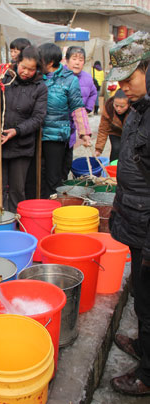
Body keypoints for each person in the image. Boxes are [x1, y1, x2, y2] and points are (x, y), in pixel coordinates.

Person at [108, 31, 150, 397]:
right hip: (136, 222)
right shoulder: (140, 108)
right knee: (141, 295)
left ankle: (148, 374)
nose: (123, 88)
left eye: (129, 79)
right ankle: (143, 345)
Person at [0, 45, 48, 212]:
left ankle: (15, 224)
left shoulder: (40, 87)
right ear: (17, 62)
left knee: (17, 189)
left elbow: (38, 117)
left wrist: (17, 131)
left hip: (21, 144)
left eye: (31, 69)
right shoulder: (3, 75)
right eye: (23, 67)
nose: (26, 72)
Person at [37, 43, 91, 198]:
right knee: (37, 175)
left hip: (56, 136)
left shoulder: (69, 80)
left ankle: (53, 210)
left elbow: (78, 107)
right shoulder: (37, 77)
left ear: (50, 61)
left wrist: (84, 133)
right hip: (35, 134)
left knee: (54, 177)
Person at [63, 46, 97, 180]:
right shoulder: (60, 76)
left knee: (67, 161)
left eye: (81, 60)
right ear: (67, 60)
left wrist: (87, 108)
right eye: (74, 59)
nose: (77, 62)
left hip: (74, 124)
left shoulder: (88, 78)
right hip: (59, 123)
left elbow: (94, 93)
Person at [95, 89, 130, 162]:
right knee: (116, 148)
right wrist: (98, 149)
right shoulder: (108, 107)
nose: (118, 109)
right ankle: (113, 168)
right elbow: (103, 129)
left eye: (122, 106)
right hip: (115, 131)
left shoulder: (135, 109)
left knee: (129, 151)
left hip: (130, 132)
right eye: (116, 105)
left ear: (128, 104)